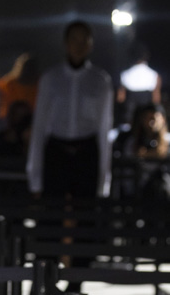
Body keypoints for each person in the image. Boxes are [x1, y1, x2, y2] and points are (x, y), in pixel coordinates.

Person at [26, 20, 114, 199]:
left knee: (86, 211)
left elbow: (104, 128)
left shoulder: (100, 81)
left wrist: (104, 181)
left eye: (84, 40)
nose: (79, 46)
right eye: (74, 39)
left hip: (86, 153)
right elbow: (40, 126)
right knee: (52, 210)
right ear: (66, 43)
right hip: (57, 152)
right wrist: (35, 177)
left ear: (91, 45)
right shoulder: (50, 78)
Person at [117, 44, 162, 124]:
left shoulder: (124, 75)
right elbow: (156, 99)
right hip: (146, 119)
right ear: (146, 57)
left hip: (129, 118)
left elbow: (120, 98)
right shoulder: (154, 75)